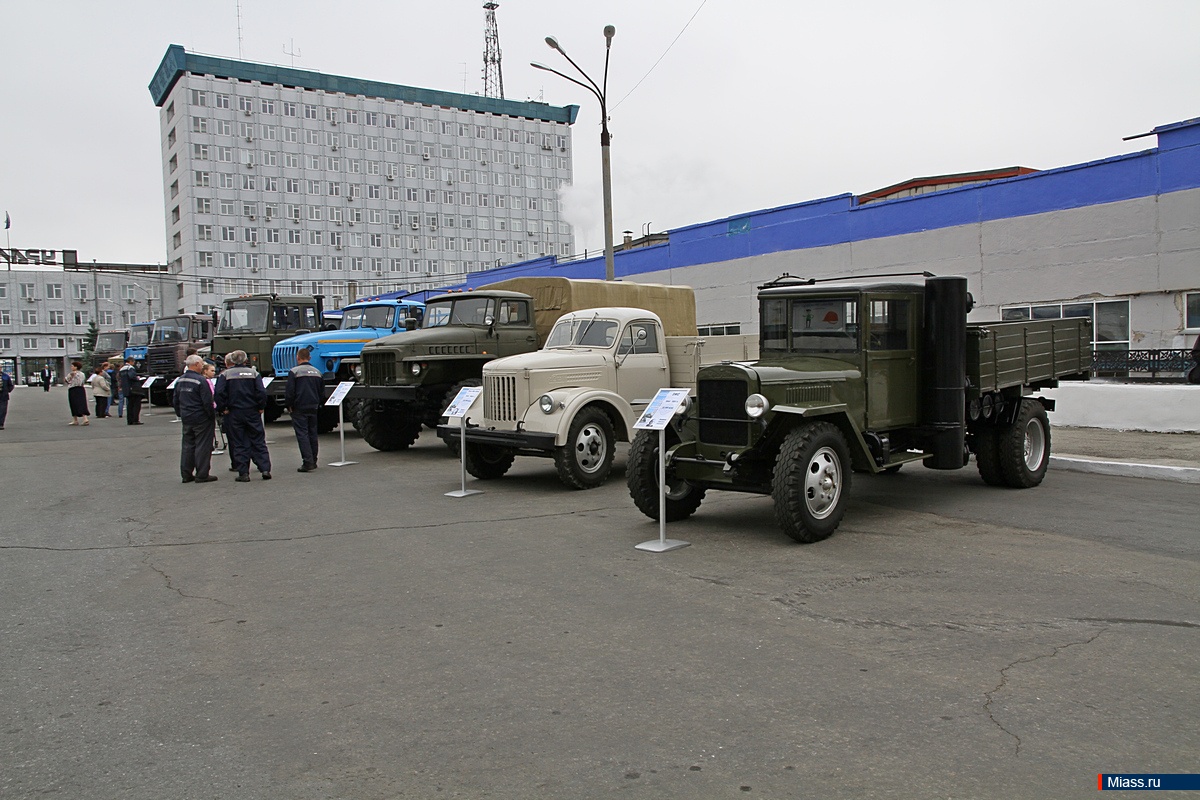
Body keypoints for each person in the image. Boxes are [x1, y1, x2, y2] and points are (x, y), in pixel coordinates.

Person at [215, 349, 272, 482]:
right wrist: (260, 406)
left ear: (232, 361)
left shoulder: (225, 375)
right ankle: (265, 469)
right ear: (246, 360)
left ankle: (243, 473)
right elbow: (261, 392)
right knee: (258, 440)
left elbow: (219, 393)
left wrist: (223, 408)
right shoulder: (254, 373)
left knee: (239, 442)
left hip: (234, 412)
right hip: (252, 411)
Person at [173, 354, 218, 484]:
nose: (202, 366)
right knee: (203, 446)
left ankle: (186, 474)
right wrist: (211, 415)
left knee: (188, 445)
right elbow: (207, 401)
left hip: (187, 417)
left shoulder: (180, 380)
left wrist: (180, 413)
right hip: (201, 417)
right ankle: (202, 474)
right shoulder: (201, 381)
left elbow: (175, 399)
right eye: (201, 364)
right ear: (197, 364)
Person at [285, 347, 324, 472]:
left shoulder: (294, 372)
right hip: (313, 406)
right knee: (313, 433)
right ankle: (314, 459)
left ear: (297, 357)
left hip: (299, 407)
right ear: (310, 357)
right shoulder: (317, 372)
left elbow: (290, 391)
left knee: (302, 434)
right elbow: (321, 392)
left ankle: (307, 462)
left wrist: (289, 405)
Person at [203, 362, 225, 454]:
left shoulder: (209, 381)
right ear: (205, 371)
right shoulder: (206, 382)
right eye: (211, 371)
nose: (214, 373)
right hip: (212, 407)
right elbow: (212, 394)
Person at [118, 357, 144, 425]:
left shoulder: (122, 369)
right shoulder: (130, 368)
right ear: (131, 361)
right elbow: (132, 376)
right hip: (134, 389)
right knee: (136, 405)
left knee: (130, 405)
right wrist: (137, 378)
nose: (134, 363)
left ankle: (130, 420)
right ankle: (135, 420)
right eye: (133, 362)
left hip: (126, 389)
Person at [65, 361, 90, 426]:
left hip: (73, 389)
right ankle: (85, 418)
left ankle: (75, 419)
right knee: (82, 403)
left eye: (72, 366)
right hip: (81, 389)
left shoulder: (71, 374)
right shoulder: (82, 374)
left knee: (73, 404)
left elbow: (67, 380)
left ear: (76, 367)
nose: (71, 367)